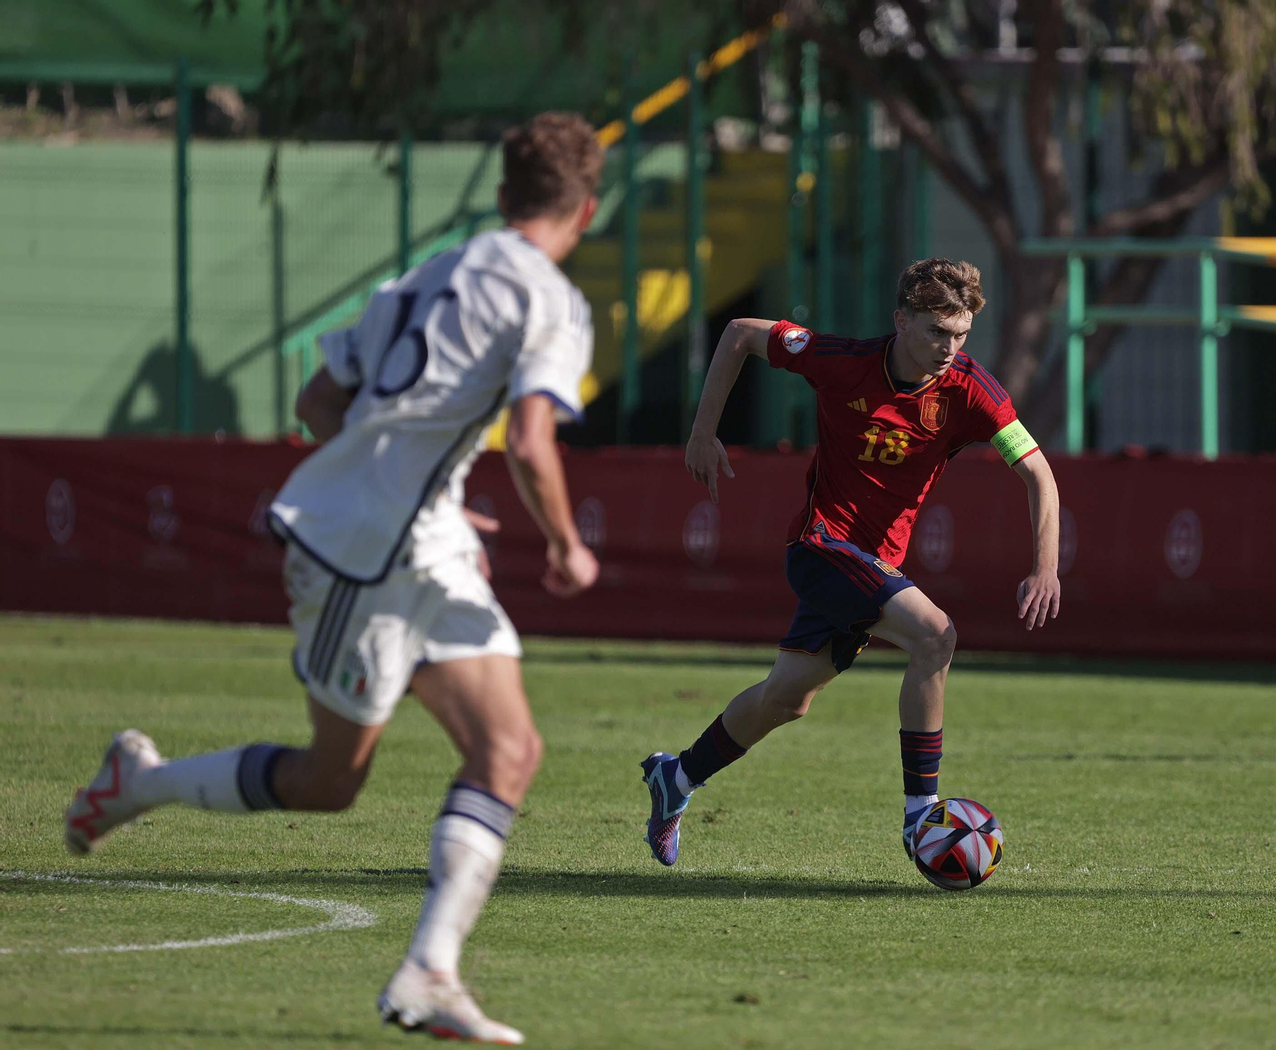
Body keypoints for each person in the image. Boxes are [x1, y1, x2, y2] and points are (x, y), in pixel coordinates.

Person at [63, 112, 604, 1045]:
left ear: (505, 194)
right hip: (361, 552)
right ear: (586, 210)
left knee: (509, 752)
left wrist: (412, 488)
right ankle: (141, 783)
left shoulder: (428, 272)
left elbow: (318, 401)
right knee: (328, 782)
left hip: (410, 540)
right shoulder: (549, 298)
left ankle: (432, 971)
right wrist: (565, 544)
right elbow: (530, 441)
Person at [642, 258, 1061, 868]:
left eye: (962, 334)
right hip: (821, 546)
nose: (950, 348)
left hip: (874, 562)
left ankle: (675, 779)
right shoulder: (841, 360)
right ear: (901, 321)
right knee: (935, 635)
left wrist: (1044, 566)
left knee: (787, 699)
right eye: (936, 332)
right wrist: (703, 431)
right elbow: (738, 333)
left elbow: (1038, 473)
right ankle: (923, 814)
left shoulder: (971, 390)